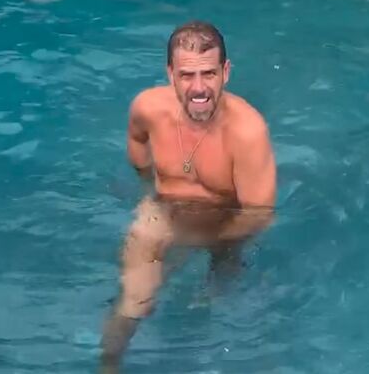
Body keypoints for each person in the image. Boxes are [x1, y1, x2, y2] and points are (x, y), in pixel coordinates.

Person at [99, 21, 277, 372]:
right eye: (186, 75)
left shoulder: (247, 132)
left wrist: (201, 236)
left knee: (216, 300)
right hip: (165, 212)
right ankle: (107, 367)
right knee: (133, 302)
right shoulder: (148, 108)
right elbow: (137, 143)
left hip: (227, 224)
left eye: (209, 73)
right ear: (170, 74)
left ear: (226, 72)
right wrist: (146, 191)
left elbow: (260, 215)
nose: (198, 88)